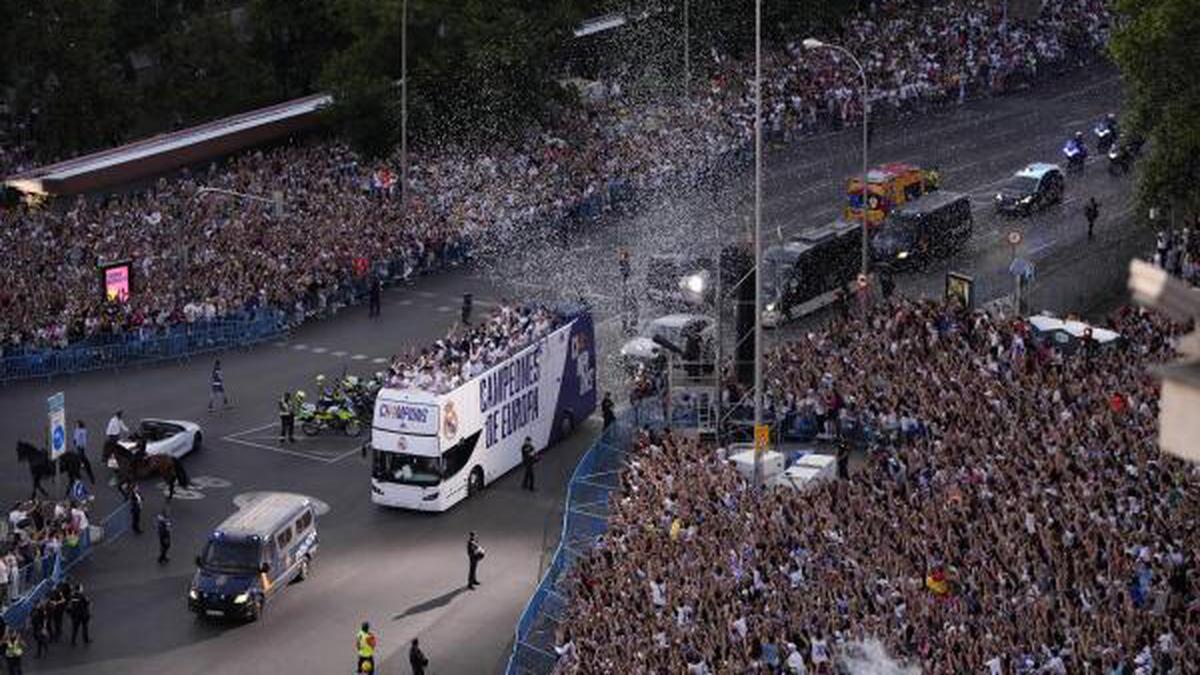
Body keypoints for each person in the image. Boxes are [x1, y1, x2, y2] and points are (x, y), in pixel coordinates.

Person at [71, 420, 95, 485]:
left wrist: (83, 445)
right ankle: (82, 465)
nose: (76, 425)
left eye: (77, 424)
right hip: (78, 446)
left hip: (80, 446)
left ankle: (81, 467)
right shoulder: (78, 429)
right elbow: (75, 436)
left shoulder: (83, 431)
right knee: (81, 457)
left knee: (80, 457)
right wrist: (74, 440)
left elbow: (83, 439)